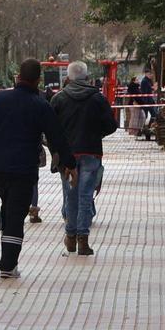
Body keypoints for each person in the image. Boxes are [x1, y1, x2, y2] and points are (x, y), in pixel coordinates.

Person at [0, 58, 77, 279]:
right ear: (38, 79)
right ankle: (8, 265)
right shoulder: (40, 105)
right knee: (16, 215)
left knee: (10, 210)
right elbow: (58, 137)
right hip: (24, 169)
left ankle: (8, 258)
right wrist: (70, 164)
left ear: (18, 75)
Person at [51, 61, 118, 255]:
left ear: (68, 78)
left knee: (70, 196)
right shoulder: (97, 98)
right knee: (86, 196)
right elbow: (111, 125)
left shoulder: (59, 99)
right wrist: (96, 134)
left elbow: (50, 127)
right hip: (91, 153)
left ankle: (70, 237)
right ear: (87, 77)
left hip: (67, 157)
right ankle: (83, 240)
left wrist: (57, 149)